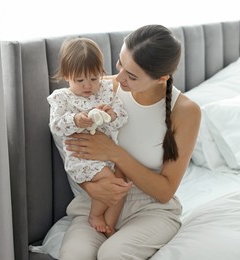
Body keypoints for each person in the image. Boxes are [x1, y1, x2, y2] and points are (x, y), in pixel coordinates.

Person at [59, 24, 201, 260]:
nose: (119, 77)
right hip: (98, 201)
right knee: (75, 255)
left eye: (132, 75)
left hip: (150, 208)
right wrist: (93, 188)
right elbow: (74, 148)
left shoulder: (185, 111)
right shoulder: (100, 87)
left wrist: (115, 153)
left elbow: (165, 191)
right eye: (120, 63)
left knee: (113, 254)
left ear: (162, 78)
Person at [47, 37, 128, 236]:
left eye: (93, 78)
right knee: (111, 182)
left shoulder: (106, 91)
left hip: (107, 154)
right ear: (67, 76)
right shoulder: (62, 98)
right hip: (83, 157)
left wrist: (111, 114)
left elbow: (122, 118)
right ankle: (95, 215)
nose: (88, 86)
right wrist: (76, 120)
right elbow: (56, 125)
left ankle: (111, 223)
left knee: (122, 184)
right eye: (80, 80)